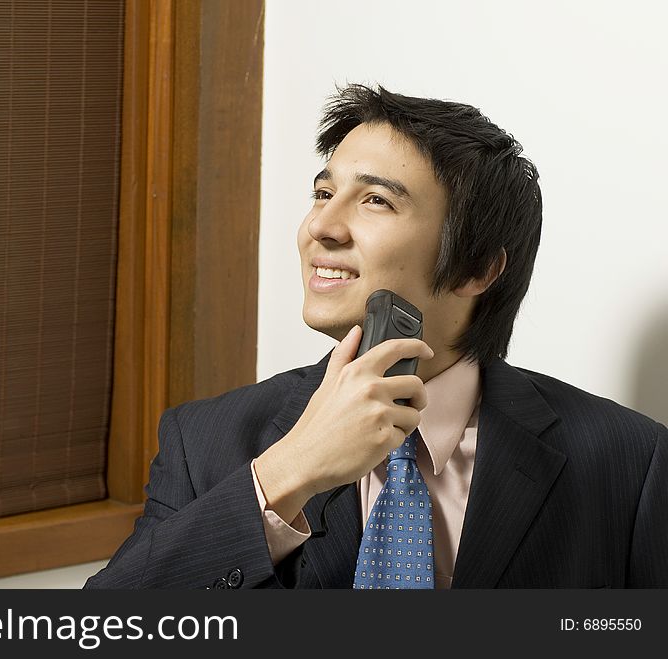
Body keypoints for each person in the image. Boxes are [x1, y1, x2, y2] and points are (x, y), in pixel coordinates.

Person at [85, 84, 668, 589]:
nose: (321, 226)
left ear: (479, 269)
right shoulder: (206, 441)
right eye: (322, 193)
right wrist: (289, 472)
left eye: (375, 200)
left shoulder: (629, 460)